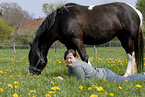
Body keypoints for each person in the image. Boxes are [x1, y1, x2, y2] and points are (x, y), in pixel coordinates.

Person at [57, 49, 145, 82]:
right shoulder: (72, 66)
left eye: (70, 58)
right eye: (67, 58)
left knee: (128, 80)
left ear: (75, 57)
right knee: (127, 79)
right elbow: (74, 79)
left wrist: (63, 81)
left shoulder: (76, 67)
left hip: (106, 76)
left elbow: (81, 82)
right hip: (104, 72)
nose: (68, 60)